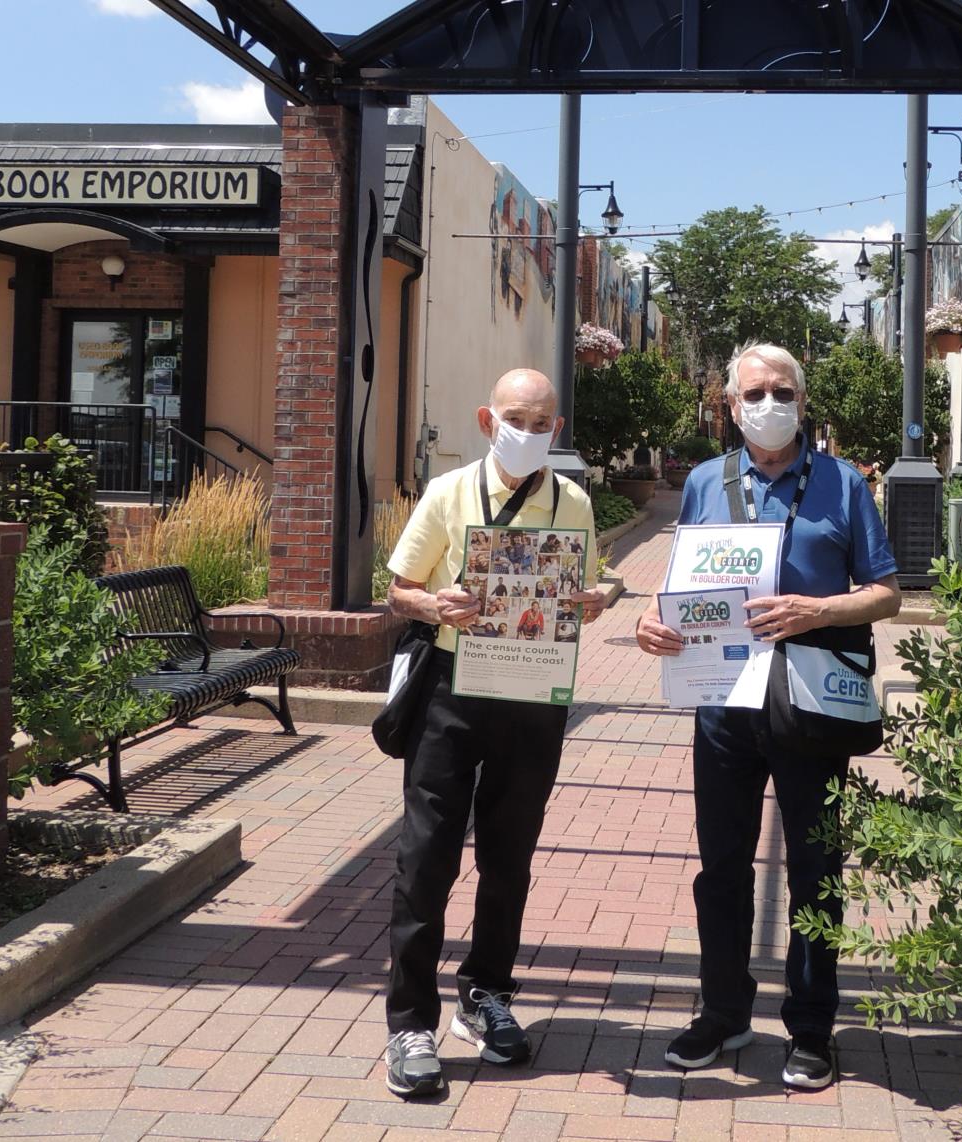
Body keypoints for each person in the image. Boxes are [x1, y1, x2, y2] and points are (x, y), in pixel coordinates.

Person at [636, 341, 900, 1091]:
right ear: (729, 406)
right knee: (721, 867)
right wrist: (655, 627)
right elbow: (679, 593)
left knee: (816, 869)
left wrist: (817, 609)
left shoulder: (845, 485)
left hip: (811, 704)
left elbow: (886, 593)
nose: (769, 405)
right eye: (754, 394)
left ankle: (812, 1028)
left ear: (803, 403)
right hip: (723, 705)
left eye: (783, 392)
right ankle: (722, 1013)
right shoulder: (702, 484)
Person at [383, 367, 606, 1098]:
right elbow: (397, 591)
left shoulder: (570, 501)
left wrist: (598, 597)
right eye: (516, 418)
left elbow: (589, 585)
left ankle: (486, 995)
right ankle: (411, 1021)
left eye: (542, 422)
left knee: (510, 856)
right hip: (452, 692)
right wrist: (433, 604)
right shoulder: (449, 493)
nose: (528, 432)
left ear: (557, 430)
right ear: (487, 421)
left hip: (533, 693)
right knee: (426, 858)